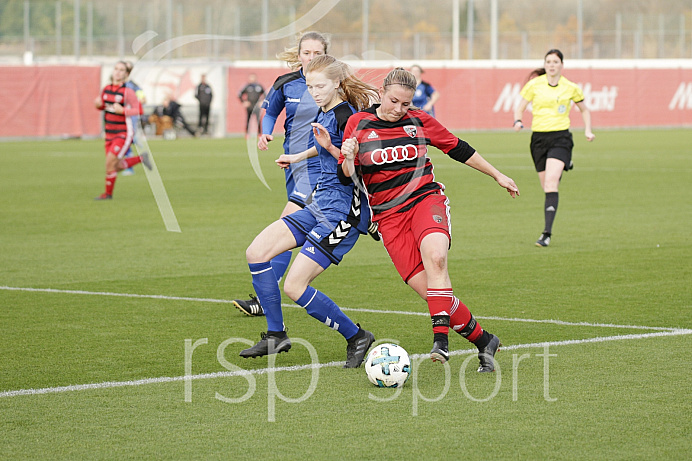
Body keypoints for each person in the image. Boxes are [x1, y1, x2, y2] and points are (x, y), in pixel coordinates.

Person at [339, 68, 519, 372]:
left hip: (425, 199)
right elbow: (347, 178)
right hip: (389, 218)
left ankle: (440, 342)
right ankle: (484, 341)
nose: (399, 109)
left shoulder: (419, 120)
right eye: (394, 101)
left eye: (406, 104)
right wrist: (347, 157)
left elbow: (457, 147)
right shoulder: (358, 124)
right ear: (381, 92)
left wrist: (497, 174)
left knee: (436, 258)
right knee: (434, 294)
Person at [238, 55, 379, 368]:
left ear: (337, 84)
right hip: (319, 203)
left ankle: (356, 335)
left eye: (320, 86)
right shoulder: (328, 110)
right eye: (310, 85)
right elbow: (327, 143)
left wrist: (332, 150)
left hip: (342, 211)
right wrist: (298, 155)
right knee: (257, 251)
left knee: (294, 286)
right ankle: (276, 335)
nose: (313, 91)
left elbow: (351, 169)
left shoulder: (346, 115)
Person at [231, 31, 329, 317]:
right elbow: (271, 110)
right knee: (299, 226)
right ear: (299, 55)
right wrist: (265, 132)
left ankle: (266, 295)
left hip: (319, 167)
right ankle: (363, 215)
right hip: (293, 165)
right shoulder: (286, 82)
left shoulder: (334, 84)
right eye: (306, 52)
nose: (311, 58)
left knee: (288, 224)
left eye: (316, 53)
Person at [513, 49, 595, 247]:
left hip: (560, 137)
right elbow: (520, 106)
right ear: (545, 64)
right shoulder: (535, 85)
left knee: (551, 184)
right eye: (548, 61)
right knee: (546, 187)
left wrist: (588, 130)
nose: (551, 65)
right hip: (539, 140)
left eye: (555, 62)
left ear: (561, 65)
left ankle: (546, 234)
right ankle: (564, 162)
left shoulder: (570, 87)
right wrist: (517, 120)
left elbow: (584, 109)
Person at [93, 61, 152, 200]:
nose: (118, 72)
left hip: (123, 133)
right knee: (115, 166)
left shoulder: (128, 91)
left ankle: (107, 195)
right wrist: (98, 106)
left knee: (109, 163)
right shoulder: (106, 89)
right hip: (109, 133)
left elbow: (140, 109)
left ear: (126, 74)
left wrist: (123, 110)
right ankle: (141, 158)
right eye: (116, 69)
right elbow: (104, 107)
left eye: (121, 70)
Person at [121, 64, 147, 176]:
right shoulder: (118, 84)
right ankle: (135, 140)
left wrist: (134, 103)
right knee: (125, 139)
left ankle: (130, 168)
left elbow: (143, 99)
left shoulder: (132, 85)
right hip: (121, 115)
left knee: (125, 140)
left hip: (130, 116)